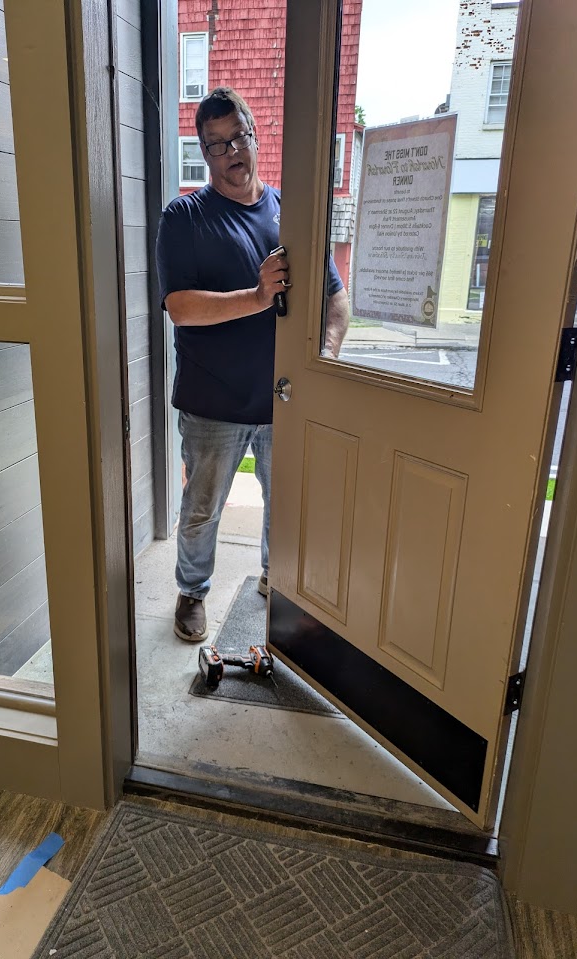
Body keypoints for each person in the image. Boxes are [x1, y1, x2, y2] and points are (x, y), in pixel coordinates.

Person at [156, 87, 350, 641]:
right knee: (201, 510)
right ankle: (192, 592)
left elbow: (336, 299)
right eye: (216, 144)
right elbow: (180, 307)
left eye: (238, 137)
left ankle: (276, 580)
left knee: (284, 507)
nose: (231, 152)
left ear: (255, 137)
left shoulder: (291, 214)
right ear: (203, 153)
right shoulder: (185, 217)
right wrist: (258, 297)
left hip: (283, 400)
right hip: (211, 404)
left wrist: (325, 359)